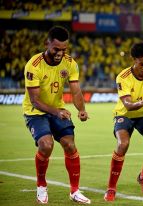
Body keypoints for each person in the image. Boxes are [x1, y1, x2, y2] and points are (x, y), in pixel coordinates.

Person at [22, 26, 90, 204]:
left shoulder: (70, 63)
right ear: (47, 43)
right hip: (35, 112)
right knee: (46, 145)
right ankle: (41, 186)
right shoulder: (33, 65)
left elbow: (75, 92)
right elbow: (35, 101)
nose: (60, 53)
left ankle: (74, 191)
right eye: (56, 49)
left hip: (57, 109)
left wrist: (81, 109)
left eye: (63, 49)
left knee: (69, 144)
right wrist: (57, 111)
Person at [104, 42, 143, 202]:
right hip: (125, 114)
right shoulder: (123, 77)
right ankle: (111, 188)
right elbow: (127, 104)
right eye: (142, 64)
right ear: (134, 60)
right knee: (122, 144)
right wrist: (140, 103)